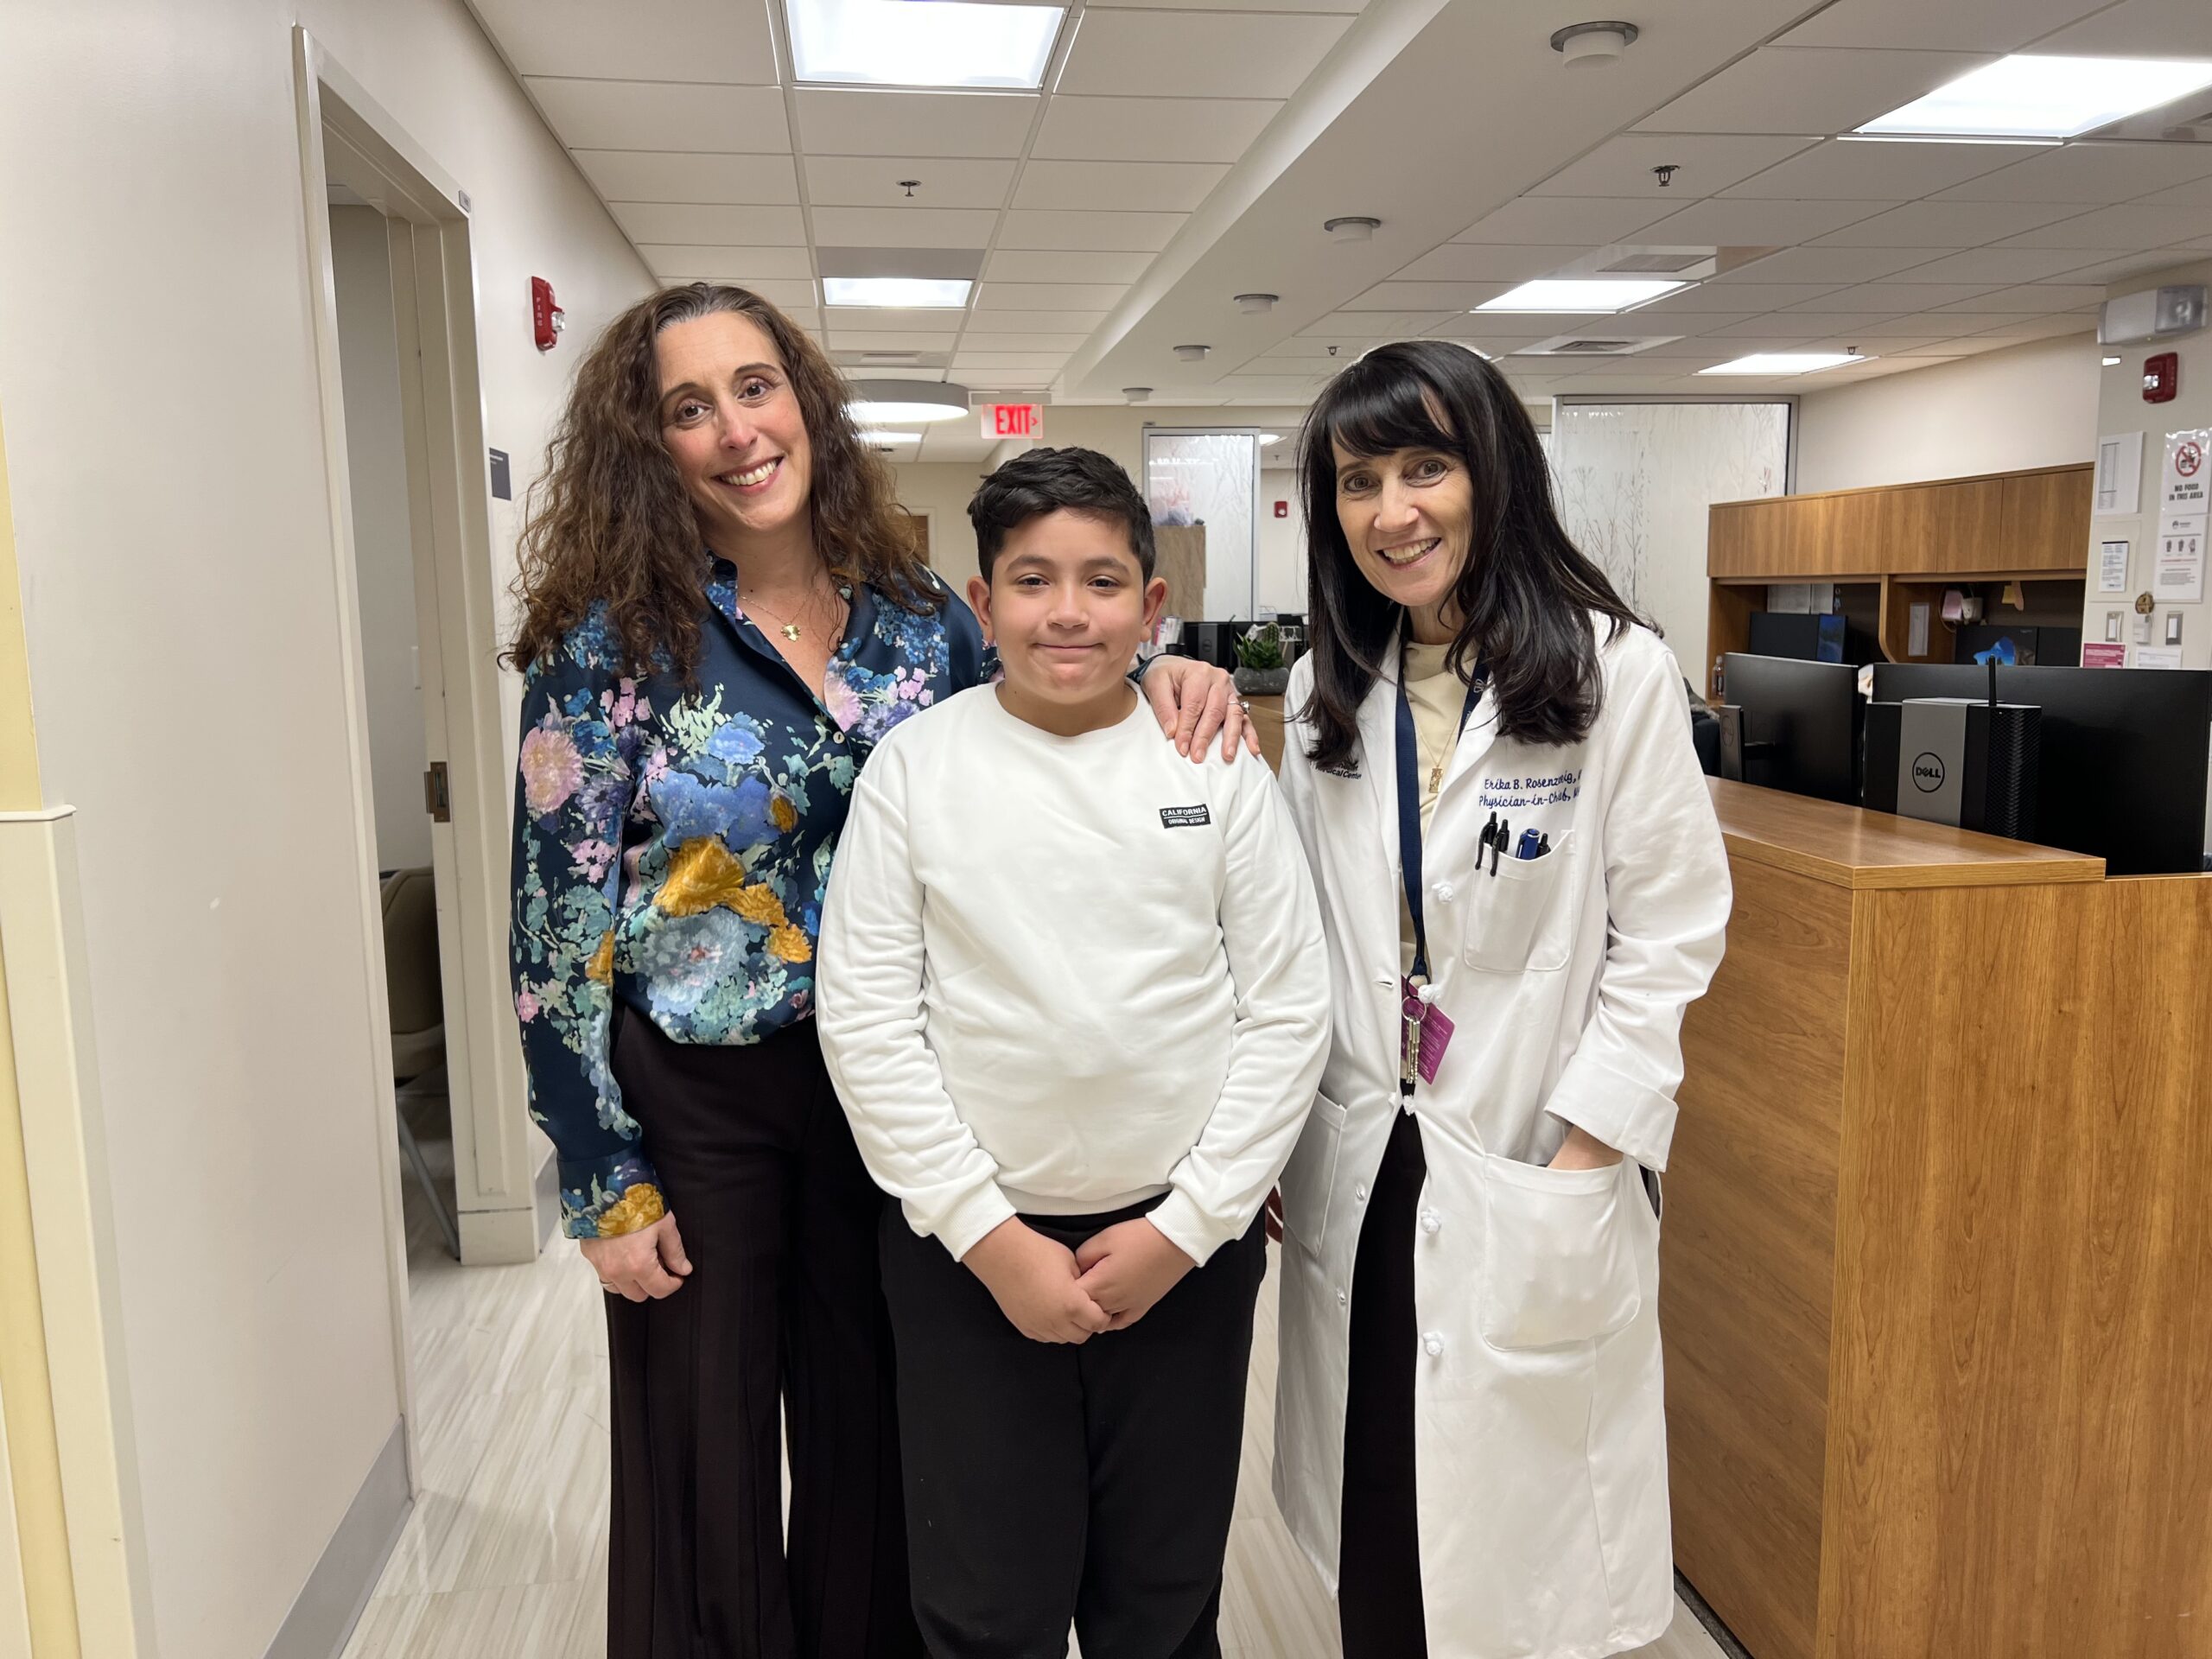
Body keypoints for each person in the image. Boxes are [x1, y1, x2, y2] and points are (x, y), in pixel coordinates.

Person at [505, 286, 1248, 1659]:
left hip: (896, 1095)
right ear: (648, 444)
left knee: (879, 1451)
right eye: (688, 407)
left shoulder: (919, 624)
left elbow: (1039, 714)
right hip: (700, 1099)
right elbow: (555, 941)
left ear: (807, 405)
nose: (735, 430)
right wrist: (601, 1178)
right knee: (704, 1461)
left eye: (756, 387)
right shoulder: (609, 651)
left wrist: (1161, 687)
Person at [814, 446, 1331, 1659]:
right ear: (981, 603)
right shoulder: (916, 772)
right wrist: (993, 1245)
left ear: (1152, 608)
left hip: (1183, 1254)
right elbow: (869, 1025)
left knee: (1161, 1602)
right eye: (1032, 580)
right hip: (968, 1258)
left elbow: (1289, 1008)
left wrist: (1187, 1227)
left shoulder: (1210, 763)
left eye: (1103, 581)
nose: (1067, 611)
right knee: (986, 1607)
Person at [1266, 340, 1732, 1659]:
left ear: (1497, 477)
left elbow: (1673, 931)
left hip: (1528, 1143)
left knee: (1515, 1562)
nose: (1393, 511)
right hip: (1367, 1154)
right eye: (1359, 480)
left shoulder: (1613, 674)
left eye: (1428, 466)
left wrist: (1588, 1146)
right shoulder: (1324, 692)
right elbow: (1300, 936)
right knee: (1382, 1529)